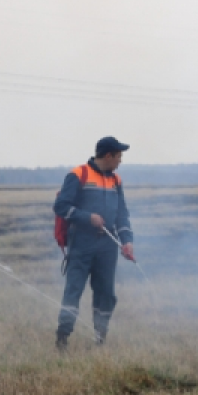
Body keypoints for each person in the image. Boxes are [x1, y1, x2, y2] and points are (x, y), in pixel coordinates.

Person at [52, 136, 136, 350]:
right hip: (81, 243)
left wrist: (127, 241)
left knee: (106, 294)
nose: (120, 161)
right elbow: (61, 206)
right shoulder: (78, 174)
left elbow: (122, 215)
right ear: (108, 156)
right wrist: (87, 217)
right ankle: (62, 339)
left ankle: (100, 337)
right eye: (118, 156)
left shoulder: (116, 181)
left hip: (108, 247)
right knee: (73, 291)